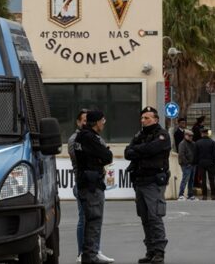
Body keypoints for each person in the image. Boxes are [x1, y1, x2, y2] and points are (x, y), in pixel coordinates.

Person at [125, 106, 172, 264]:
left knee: (154, 217)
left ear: (156, 119)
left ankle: (159, 252)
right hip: (140, 181)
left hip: (153, 181)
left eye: (147, 118)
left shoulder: (162, 135)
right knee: (145, 218)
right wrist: (141, 150)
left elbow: (152, 149)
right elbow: (127, 152)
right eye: (142, 118)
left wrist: (138, 150)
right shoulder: (140, 134)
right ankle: (150, 251)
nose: (143, 120)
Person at [69, 110, 114, 263]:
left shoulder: (81, 136)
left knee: (89, 221)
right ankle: (90, 255)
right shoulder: (89, 137)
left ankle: (89, 254)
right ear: (96, 122)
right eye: (102, 121)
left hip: (86, 182)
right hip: (91, 184)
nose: (103, 124)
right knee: (93, 221)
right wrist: (100, 158)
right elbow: (108, 157)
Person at [194, 128, 215, 200]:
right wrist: (214, 162)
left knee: (203, 180)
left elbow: (196, 154)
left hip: (201, 164)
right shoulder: (212, 142)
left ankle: (204, 195)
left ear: (202, 134)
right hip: (210, 163)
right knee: (212, 179)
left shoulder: (197, 142)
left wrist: (196, 163)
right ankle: (213, 195)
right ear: (207, 134)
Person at [177, 129, 197, 200]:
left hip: (193, 164)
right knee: (185, 179)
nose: (191, 137)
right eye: (189, 136)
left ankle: (190, 194)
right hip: (186, 165)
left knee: (191, 180)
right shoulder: (182, 144)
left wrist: (194, 162)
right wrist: (187, 163)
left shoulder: (193, 144)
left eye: (192, 136)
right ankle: (181, 194)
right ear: (185, 136)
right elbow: (181, 155)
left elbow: (195, 153)